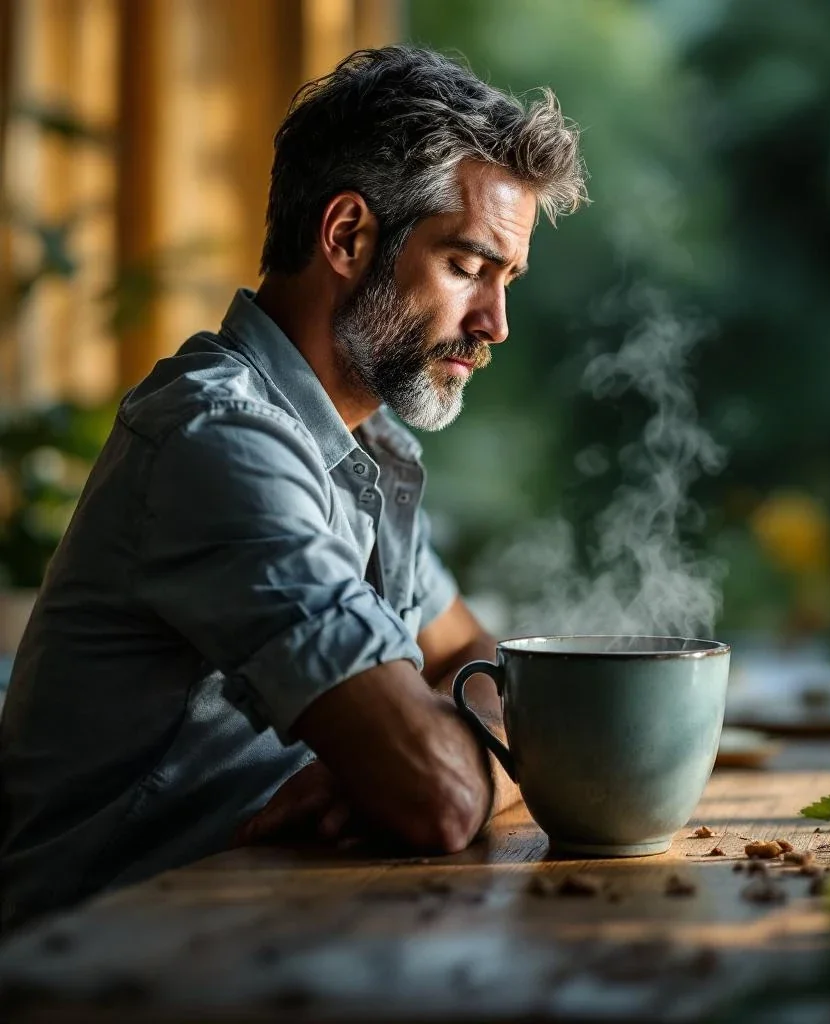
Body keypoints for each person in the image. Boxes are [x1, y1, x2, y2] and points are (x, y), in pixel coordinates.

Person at [0, 45, 586, 931]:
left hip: (256, 929)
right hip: (97, 965)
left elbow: (474, 662)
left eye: (507, 281)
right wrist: (444, 769)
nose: (494, 324)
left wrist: (421, 766)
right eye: (469, 266)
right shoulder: (220, 441)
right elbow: (441, 797)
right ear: (347, 235)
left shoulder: (364, 446)